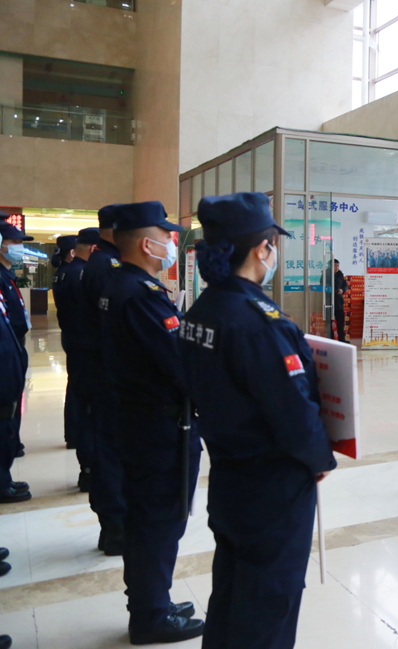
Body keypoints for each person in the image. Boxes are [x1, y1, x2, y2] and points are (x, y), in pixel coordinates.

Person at [181, 192, 336, 649]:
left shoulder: (201, 311)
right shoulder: (259, 322)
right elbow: (291, 410)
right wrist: (319, 459)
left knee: (232, 589)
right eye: (273, 245)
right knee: (269, 600)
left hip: (229, 473)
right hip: (273, 485)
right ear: (261, 249)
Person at [100, 202, 205, 644]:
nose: (171, 243)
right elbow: (178, 364)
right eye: (165, 237)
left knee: (150, 519)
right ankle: (150, 616)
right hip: (158, 428)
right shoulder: (140, 294)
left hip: (139, 420)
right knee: (158, 522)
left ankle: (152, 601)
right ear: (147, 244)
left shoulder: (122, 285)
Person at [76, 204, 127, 556]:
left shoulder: (100, 263)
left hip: (100, 369)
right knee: (111, 450)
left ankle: (113, 526)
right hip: (108, 373)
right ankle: (115, 527)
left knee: (108, 447)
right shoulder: (107, 266)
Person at [62, 228, 101, 493]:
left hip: (75, 342)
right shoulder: (80, 274)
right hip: (85, 348)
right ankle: (88, 470)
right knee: (88, 410)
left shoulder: (68, 271)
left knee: (80, 400)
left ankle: (84, 460)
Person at [0, 219, 34, 461]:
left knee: (13, 403)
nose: (18, 247)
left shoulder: (8, 274)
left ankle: (13, 444)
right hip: (6, 350)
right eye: (13, 242)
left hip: (16, 347)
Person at [51, 235, 79, 451]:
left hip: (69, 333)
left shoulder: (60, 273)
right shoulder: (74, 274)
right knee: (78, 386)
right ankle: (75, 434)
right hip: (78, 335)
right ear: (72, 252)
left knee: (74, 383)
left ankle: (72, 433)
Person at [333, 259, 347, 341]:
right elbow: (324, 286)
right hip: (330, 302)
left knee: (341, 322)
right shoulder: (326, 274)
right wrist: (336, 291)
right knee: (329, 324)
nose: (336, 267)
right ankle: (330, 340)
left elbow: (345, 285)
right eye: (335, 266)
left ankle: (342, 340)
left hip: (339, 302)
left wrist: (342, 290)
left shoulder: (340, 274)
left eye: (337, 266)